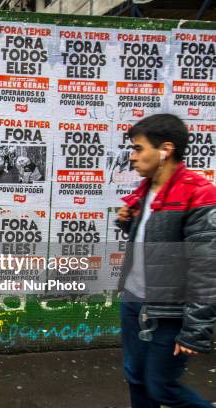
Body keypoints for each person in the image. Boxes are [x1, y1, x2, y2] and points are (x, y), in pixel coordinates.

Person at [115, 114, 216, 408]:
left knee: (162, 388)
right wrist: (128, 223)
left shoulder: (199, 192)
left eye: (138, 148)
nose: (132, 157)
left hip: (170, 313)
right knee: (136, 378)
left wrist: (196, 330)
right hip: (135, 303)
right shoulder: (145, 191)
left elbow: (206, 268)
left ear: (165, 150)